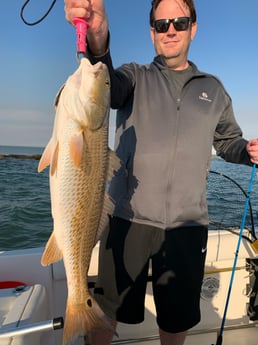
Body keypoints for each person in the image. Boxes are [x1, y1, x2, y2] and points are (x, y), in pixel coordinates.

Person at [64, 1, 258, 344]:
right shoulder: (132, 77)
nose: (170, 30)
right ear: (152, 31)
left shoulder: (213, 89)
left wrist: (247, 152)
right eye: (161, 23)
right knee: (105, 313)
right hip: (127, 220)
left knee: (176, 320)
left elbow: (228, 142)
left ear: (193, 28)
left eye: (179, 23)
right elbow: (103, 83)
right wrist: (97, 37)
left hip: (188, 226)